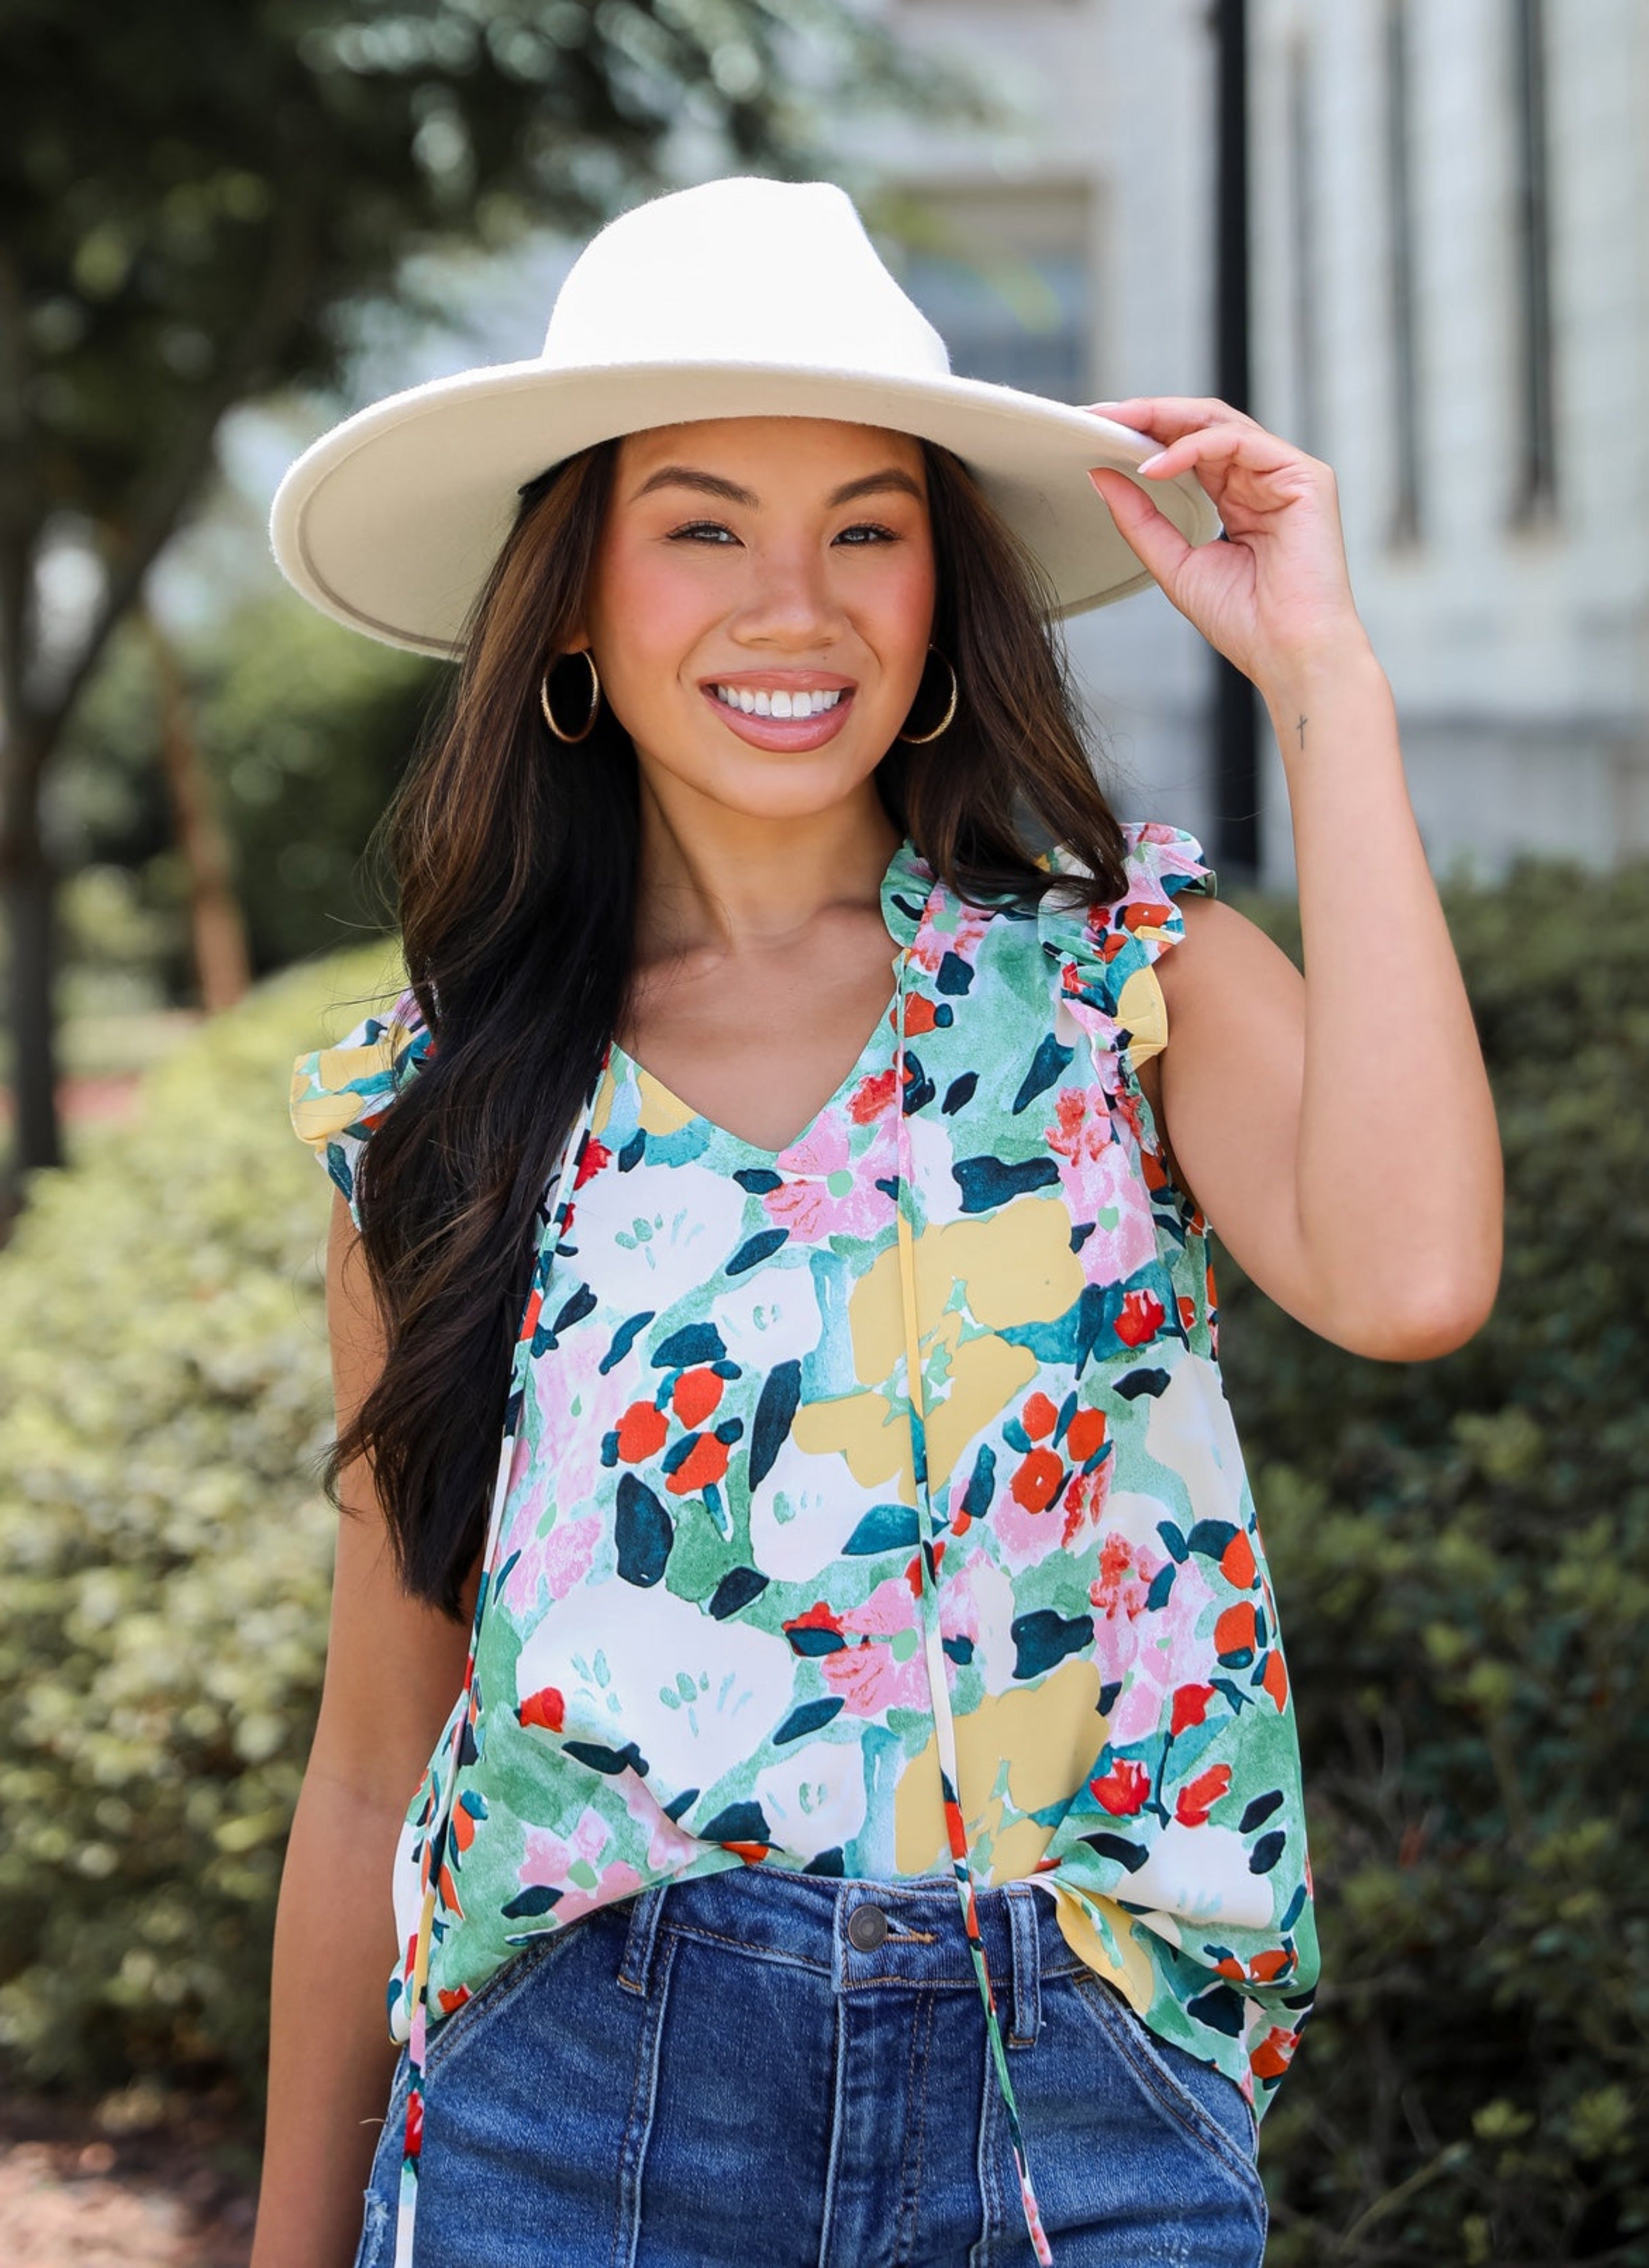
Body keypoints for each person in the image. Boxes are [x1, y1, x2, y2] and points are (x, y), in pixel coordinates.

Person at [252, 178, 1502, 2268]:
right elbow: (377, 1755)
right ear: (572, 596)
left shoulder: (1124, 983)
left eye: (867, 526)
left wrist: (1331, 686)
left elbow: (1412, 1277)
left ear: (943, 586)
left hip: (1082, 2111)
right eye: (704, 524)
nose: (795, 604)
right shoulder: (441, 1106)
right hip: (573, 2105)